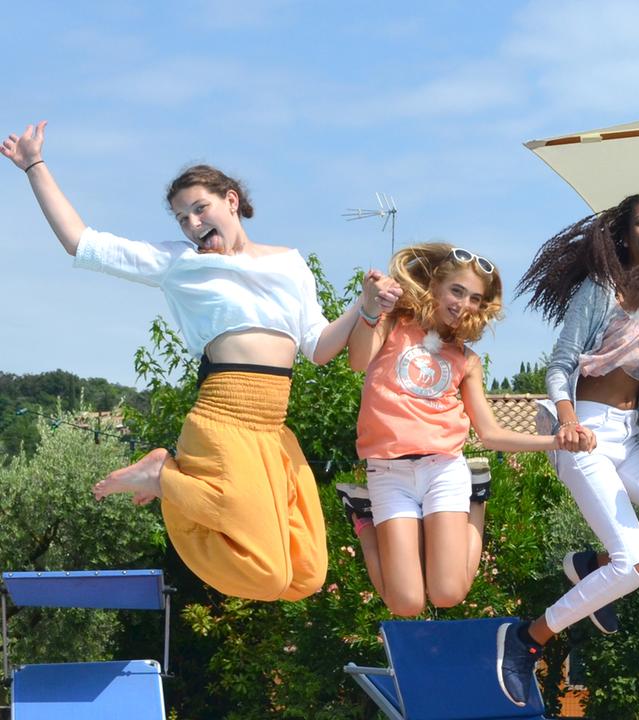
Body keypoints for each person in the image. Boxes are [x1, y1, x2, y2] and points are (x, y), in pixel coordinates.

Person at [1, 121, 398, 601]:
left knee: (305, 574)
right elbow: (80, 241)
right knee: (265, 574)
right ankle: (162, 476)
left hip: (272, 428)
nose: (191, 223)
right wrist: (35, 165)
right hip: (221, 418)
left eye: (199, 208)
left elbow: (318, 347)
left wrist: (363, 306)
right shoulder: (180, 264)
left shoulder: (291, 264)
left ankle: (165, 475)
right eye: (181, 217)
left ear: (231, 201)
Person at [495, 192, 639, 707]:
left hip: (632, 437)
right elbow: (561, 363)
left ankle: (591, 562)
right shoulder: (600, 289)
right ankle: (527, 638)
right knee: (635, 565)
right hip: (584, 433)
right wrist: (569, 421)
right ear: (624, 233)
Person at [336, 243, 580, 616]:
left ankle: (476, 497)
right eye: (457, 291)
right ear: (435, 286)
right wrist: (369, 310)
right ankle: (363, 517)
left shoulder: (466, 360)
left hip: (443, 470)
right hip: (388, 472)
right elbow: (357, 361)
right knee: (406, 604)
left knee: (448, 593)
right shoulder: (393, 324)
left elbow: (491, 433)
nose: (464, 304)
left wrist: (556, 441)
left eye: (475, 299)